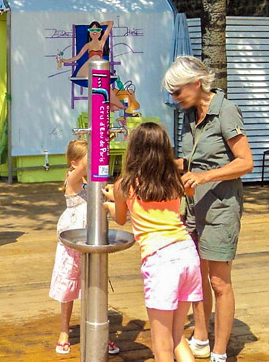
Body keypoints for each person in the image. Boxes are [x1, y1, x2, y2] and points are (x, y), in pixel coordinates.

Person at [162, 57, 253, 362]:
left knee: (219, 281)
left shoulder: (225, 111)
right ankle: (200, 337)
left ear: (196, 83)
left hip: (221, 206)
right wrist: (158, 163)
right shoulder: (189, 115)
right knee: (196, 277)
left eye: (178, 92)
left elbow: (245, 163)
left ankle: (219, 351)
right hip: (192, 206)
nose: (175, 99)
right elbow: (192, 161)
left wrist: (204, 176)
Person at [104, 123, 202, 362]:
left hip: (160, 261)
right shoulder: (175, 181)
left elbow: (120, 218)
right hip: (187, 253)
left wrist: (109, 202)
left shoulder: (124, 185)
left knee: (161, 346)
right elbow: (184, 195)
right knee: (176, 338)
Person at [50, 139, 121, 356]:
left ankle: (102, 331)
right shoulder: (73, 182)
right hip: (71, 244)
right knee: (68, 289)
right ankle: (64, 330)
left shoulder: (97, 184)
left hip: (94, 242)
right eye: (90, 159)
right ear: (74, 163)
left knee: (95, 285)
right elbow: (77, 172)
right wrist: (94, 146)